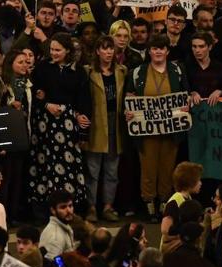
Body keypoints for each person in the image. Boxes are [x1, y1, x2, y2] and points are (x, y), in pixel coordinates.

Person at [125, 35, 190, 219]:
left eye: (162, 48)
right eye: (154, 48)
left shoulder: (177, 70)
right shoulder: (138, 72)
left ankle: (164, 201)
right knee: (148, 167)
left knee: (167, 166)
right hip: (146, 130)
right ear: (149, 51)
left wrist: (185, 106)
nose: (158, 52)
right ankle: (149, 203)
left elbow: (185, 94)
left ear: (167, 51)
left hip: (171, 129)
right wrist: (130, 111)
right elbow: (130, 96)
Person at [28, 33, 90, 215]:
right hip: (45, 126)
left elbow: (83, 99)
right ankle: (44, 208)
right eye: (52, 49)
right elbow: (33, 93)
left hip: (69, 125)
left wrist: (83, 124)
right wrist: (46, 105)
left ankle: (68, 207)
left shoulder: (78, 71)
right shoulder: (42, 68)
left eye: (58, 50)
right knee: (44, 165)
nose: (53, 53)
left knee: (68, 165)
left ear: (67, 51)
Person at [84, 36, 126, 223]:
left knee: (112, 171)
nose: (109, 52)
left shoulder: (122, 71)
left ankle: (108, 206)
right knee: (92, 171)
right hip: (96, 124)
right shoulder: (88, 72)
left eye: (111, 49)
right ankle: (91, 207)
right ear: (97, 51)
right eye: (104, 48)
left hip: (115, 124)